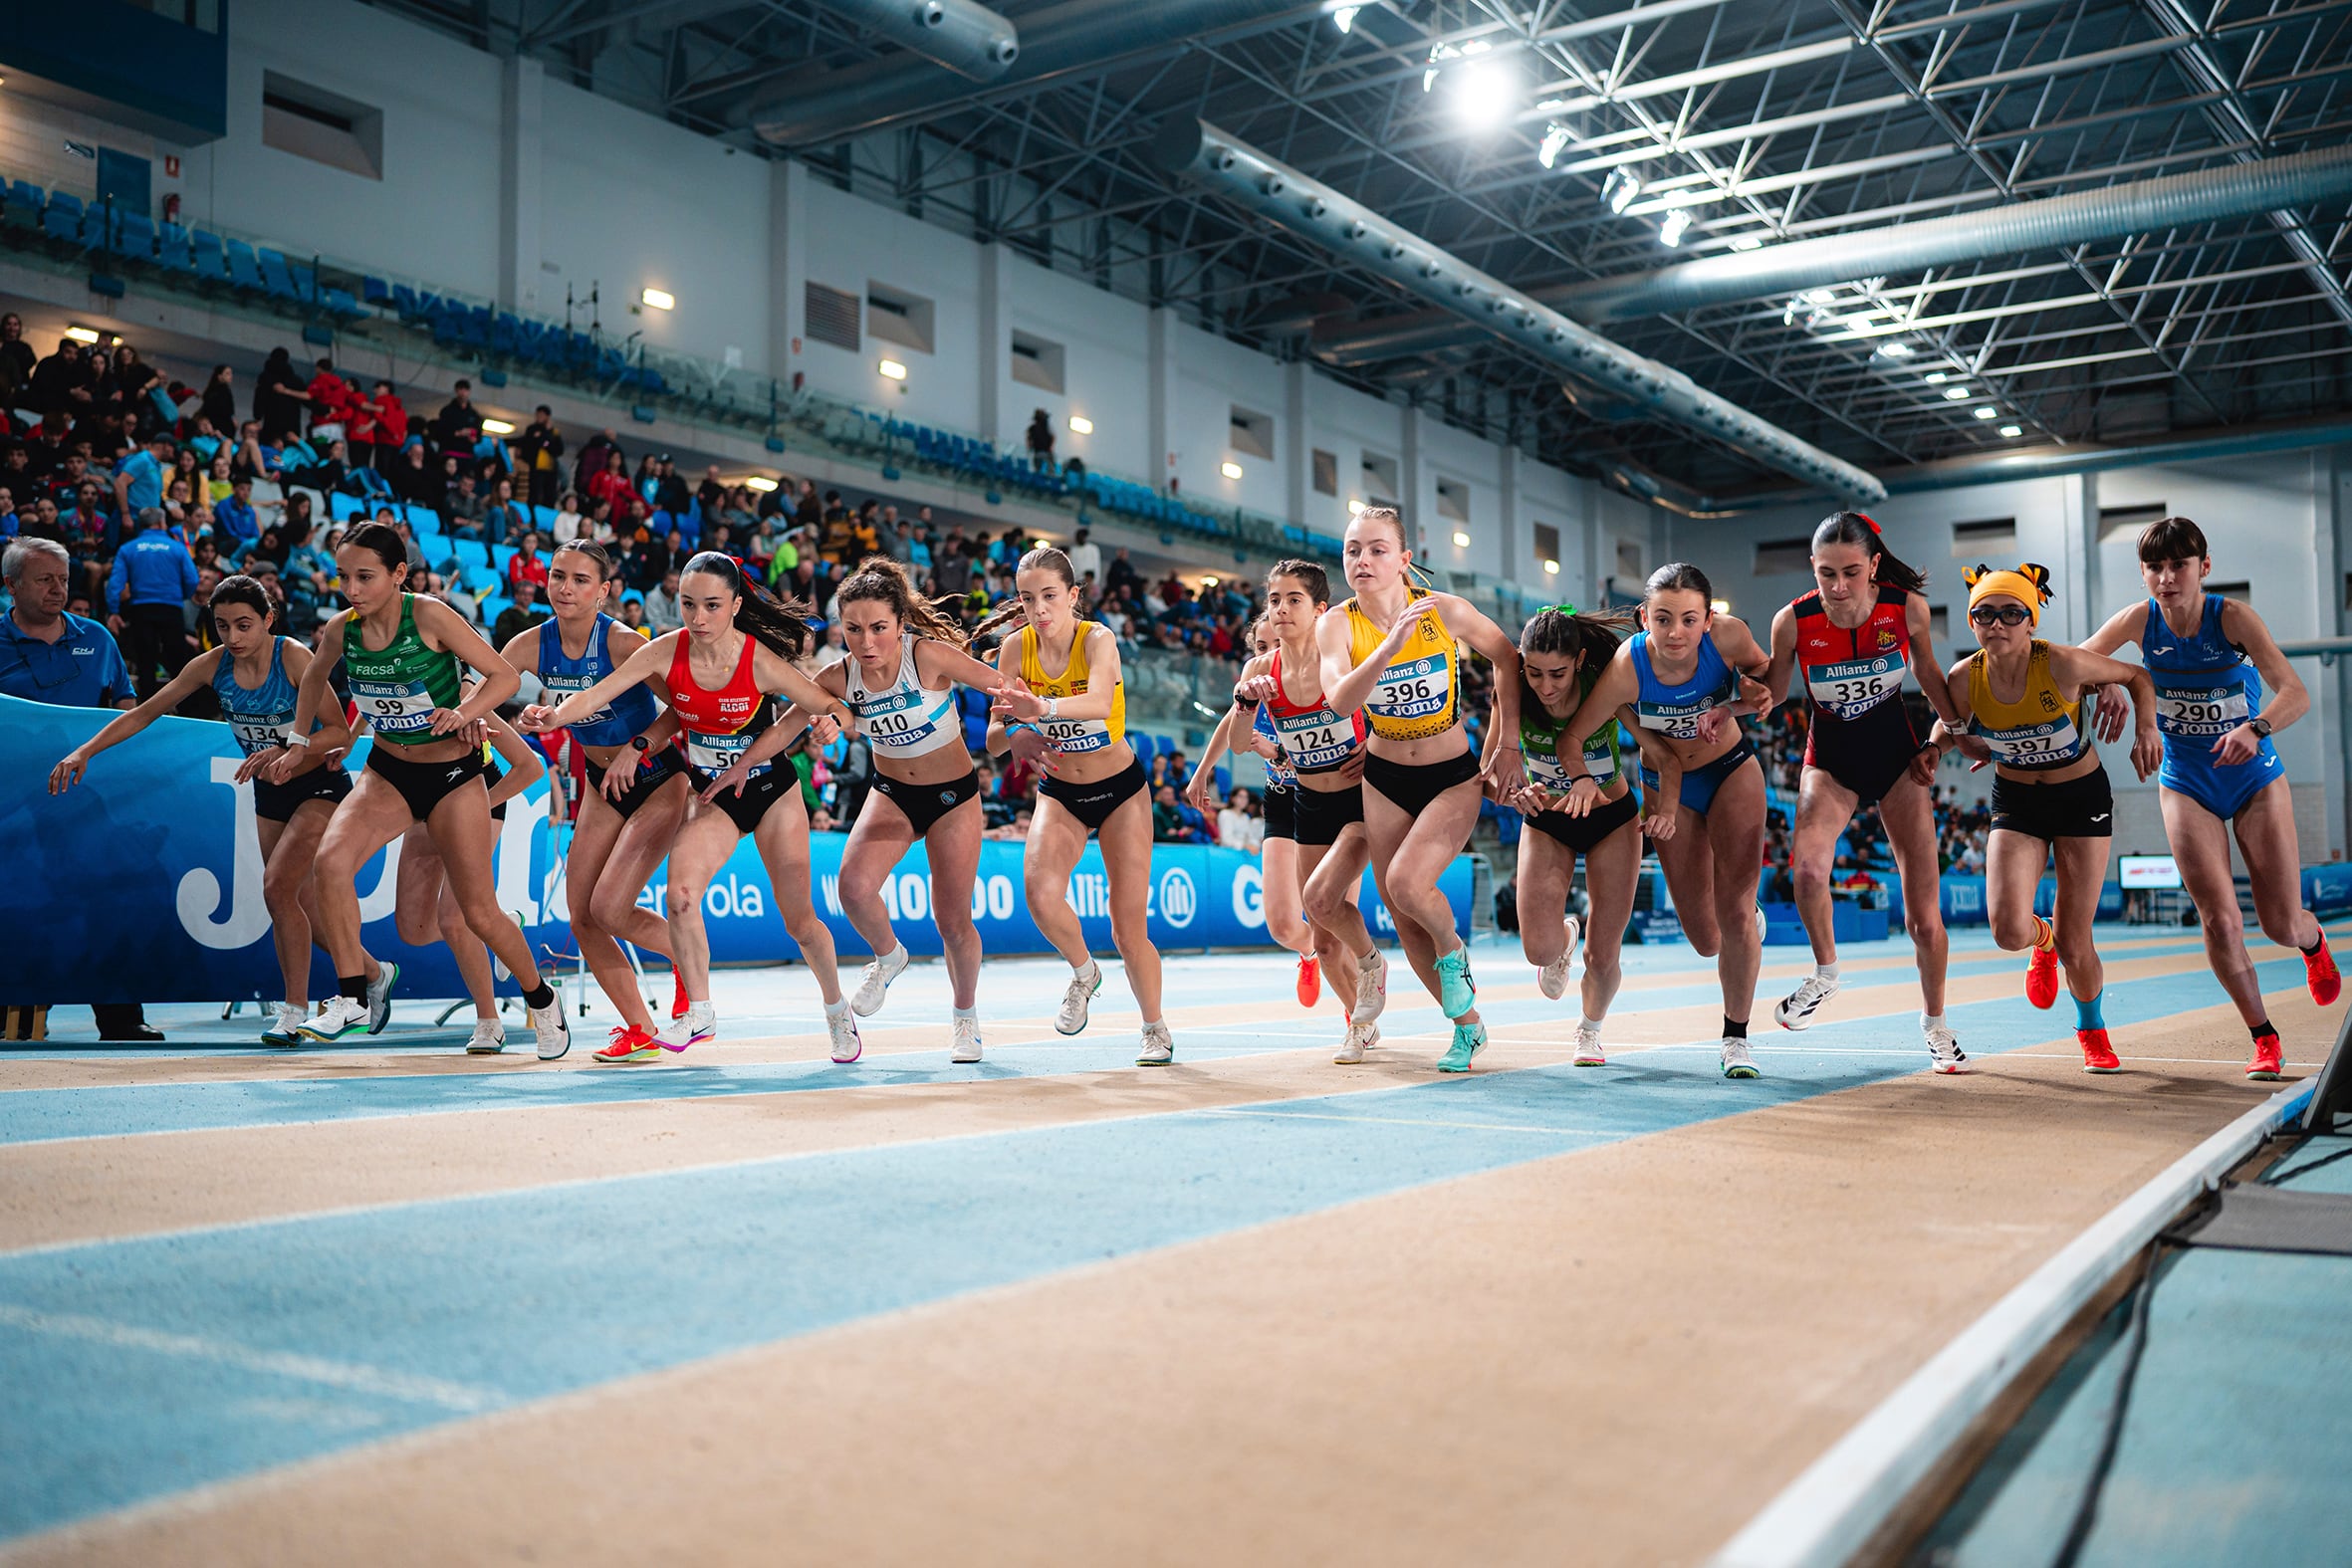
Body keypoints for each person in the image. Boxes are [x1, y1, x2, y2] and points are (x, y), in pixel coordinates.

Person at [521, 552, 860, 1060]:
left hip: (769, 791)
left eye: (711, 606)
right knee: (680, 894)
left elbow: (828, 703)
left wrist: (834, 721)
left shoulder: (758, 661)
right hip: (713, 794)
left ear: (735, 605)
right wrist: (554, 716)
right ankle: (698, 1012)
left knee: (800, 923)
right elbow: (599, 694)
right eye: (687, 605)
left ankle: (837, 1011)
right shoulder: (664, 651)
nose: (698, 618)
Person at [265, 521, 573, 1057]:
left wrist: (466, 712)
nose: (352, 590)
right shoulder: (342, 628)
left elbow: (502, 678)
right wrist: (298, 739)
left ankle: (542, 1000)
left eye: (365, 577)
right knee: (330, 864)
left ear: (398, 574)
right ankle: (354, 996)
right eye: (343, 578)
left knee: (475, 913)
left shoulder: (428, 614)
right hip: (389, 771)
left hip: (453, 778)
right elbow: (315, 677)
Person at [2078, 517, 2341, 1078]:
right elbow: (2067, 666)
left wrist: (2256, 729)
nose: (2167, 577)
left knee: (2278, 924)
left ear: (2205, 567)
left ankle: (2312, 939)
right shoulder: (2137, 621)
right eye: (2155, 567)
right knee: (2220, 922)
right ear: (2144, 572)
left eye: (2179, 565)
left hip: (2255, 779)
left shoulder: (2233, 618)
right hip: (2187, 783)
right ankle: (2264, 1038)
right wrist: (2113, 681)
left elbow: (2295, 693)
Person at [48, 574, 353, 1046]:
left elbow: (339, 733)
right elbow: (144, 712)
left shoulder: (292, 656)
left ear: (269, 620)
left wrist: (289, 751)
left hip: (319, 783)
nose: (233, 638)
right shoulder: (212, 666)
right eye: (223, 626)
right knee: (287, 900)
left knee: (275, 887)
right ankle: (368, 977)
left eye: (244, 625)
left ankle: (294, 1010)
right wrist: (85, 751)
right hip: (270, 791)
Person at [1925, 563, 2161, 1073]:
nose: (1998, 624)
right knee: (2009, 931)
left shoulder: (2062, 664)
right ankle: (2042, 939)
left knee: (2081, 942)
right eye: (1985, 614)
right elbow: (1948, 721)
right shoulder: (1964, 678)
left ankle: (2092, 1029)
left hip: (2080, 799)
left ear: (2030, 620)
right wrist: (1932, 748)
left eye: (2012, 613)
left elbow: (2137, 675)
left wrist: (2147, 728)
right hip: (2016, 800)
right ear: (1972, 622)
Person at [1758, 513, 1966, 1071]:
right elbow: (1774, 692)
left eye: (1851, 572)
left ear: (1874, 564)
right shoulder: (1793, 621)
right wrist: (1720, 691)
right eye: (1827, 573)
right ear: (1813, 568)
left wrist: (1955, 737)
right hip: (1830, 762)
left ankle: (1936, 1025)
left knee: (1924, 918)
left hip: (1898, 763)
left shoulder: (1906, 609)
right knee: (1805, 873)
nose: (1839, 587)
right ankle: (1825, 972)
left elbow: (1929, 677)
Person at [1315, 508, 1520, 1072]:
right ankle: (1468, 1029)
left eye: (1377, 550)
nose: (1363, 560)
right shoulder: (1336, 624)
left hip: (1450, 775)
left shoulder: (1443, 612)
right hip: (1383, 778)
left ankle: (1455, 954)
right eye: (1353, 550)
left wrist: (1507, 745)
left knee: (1407, 883)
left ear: (1404, 560)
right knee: (1404, 923)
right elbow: (1339, 700)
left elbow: (1508, 658)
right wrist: (1387, 645)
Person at [1558, 562, 1773, 1079]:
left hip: (1731, 771)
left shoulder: (1730, 637)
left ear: (1708, 619)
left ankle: (1736, 1038)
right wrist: (1582, 779)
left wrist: (1746, 701)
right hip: (1667, 790)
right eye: (1663, 619)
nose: (1676, 633)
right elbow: (1571, 739)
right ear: (1643, 618)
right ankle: (1741, 915)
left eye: (1688, 620)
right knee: (1706, 936)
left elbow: (1770, 680)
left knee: (1736, 915)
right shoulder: (1627, 668)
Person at [808, 558, 1013, 1061]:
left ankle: (965, 1019)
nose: (866, 641)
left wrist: (1022, 730)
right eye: (853, 629)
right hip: (892, 794)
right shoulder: (840, 675)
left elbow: (1004, 687)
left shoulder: (928, 656)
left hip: (952, 798)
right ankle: (889, 955)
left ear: (900, 623)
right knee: (853, 890)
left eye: (879, 628)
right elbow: (793, 716)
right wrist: (820, 722)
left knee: (952, 921)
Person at [980, 546, 1175, 1065]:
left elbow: (1096, 703)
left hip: (1121, 792)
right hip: (1062, 792)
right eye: (1027, 599)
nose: (1038, 609)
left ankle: (1155, 1029)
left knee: (1128, 929)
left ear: (1072, 596)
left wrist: (1038, 708)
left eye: (1048, 596)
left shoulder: (1098, 640)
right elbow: (994, 737)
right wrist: (1015, 738)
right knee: (1041, 897)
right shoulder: (1014, 649)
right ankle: (1085, 972)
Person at [507, 541, 688, 1063]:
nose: (565, 587)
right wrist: (514, 715)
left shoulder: (625, 642)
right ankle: (641, 1032)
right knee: (582, 915)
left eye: (580, 580)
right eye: (558, 576)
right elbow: (490, 680)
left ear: (604, 591)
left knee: (609, 908)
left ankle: (686, 954)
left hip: (655, 776)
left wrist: (637, 748)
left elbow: (681, 710)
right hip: (601, 783)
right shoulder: (532, 643)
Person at [4, 538, 154, 1040]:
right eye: (44, 579)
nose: (58, 588)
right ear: (11, 585)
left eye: (64, 579)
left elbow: (126, 709)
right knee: (14, 906)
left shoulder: (98, 638)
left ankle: (120, 1018)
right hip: (12, 806)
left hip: (90, 805)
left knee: (106, 902)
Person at [1509, 605, 1646, 1069]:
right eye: (1534, 673)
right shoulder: (1512, 693)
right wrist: (1513, 792)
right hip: (1548, 820)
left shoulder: (1603, 685)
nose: (1545, 688)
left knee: (1603, 952)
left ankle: (1589, 1031)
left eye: (1558, 674)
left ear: (1581, 661)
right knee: (1537, 951)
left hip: (1611, 818)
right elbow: (1494, 772)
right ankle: (1564, 938)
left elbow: (1651, 743)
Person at [108, 506, 200, 698]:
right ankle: (184, 708)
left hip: (141, 609)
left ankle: (147, 709)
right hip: (171, 608)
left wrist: (114, 610)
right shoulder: (177, 548)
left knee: (145, 662)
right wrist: (179, 595)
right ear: (161, 523)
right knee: (177, 661)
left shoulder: (128, 548)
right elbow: (192, 579)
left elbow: (115, 583)